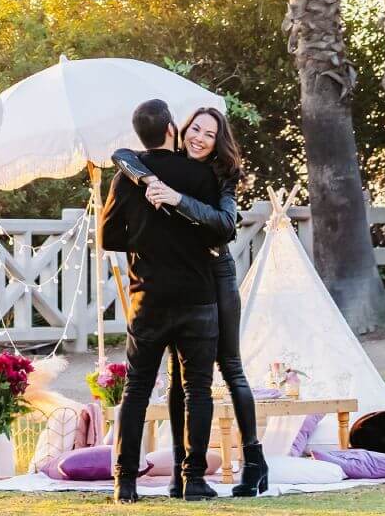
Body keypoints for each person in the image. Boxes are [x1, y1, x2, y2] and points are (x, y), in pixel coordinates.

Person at [114, 106, 267, 498]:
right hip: (189, 286)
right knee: (185, 386)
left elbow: (226, 225)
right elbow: (123, 155)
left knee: (227, 365)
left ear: (219, 141)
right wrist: (144, 175)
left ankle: (253, 461)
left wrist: (175, 200)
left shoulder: (218, 177)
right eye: (194, 128)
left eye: (209, 134)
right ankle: (186, 477)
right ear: (176, 129)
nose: (199, 137)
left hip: (215, 275)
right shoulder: (164, 167)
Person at [102, 99, 222, 503]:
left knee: (136, 390)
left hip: (147, 297)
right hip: (197, 298)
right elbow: (215, 233)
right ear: (172, 129)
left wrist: (142, 240)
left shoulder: (126, 177)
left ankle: (125, 481)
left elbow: (108, 238)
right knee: (197, 391)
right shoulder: (202, 176)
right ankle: (194, 480)